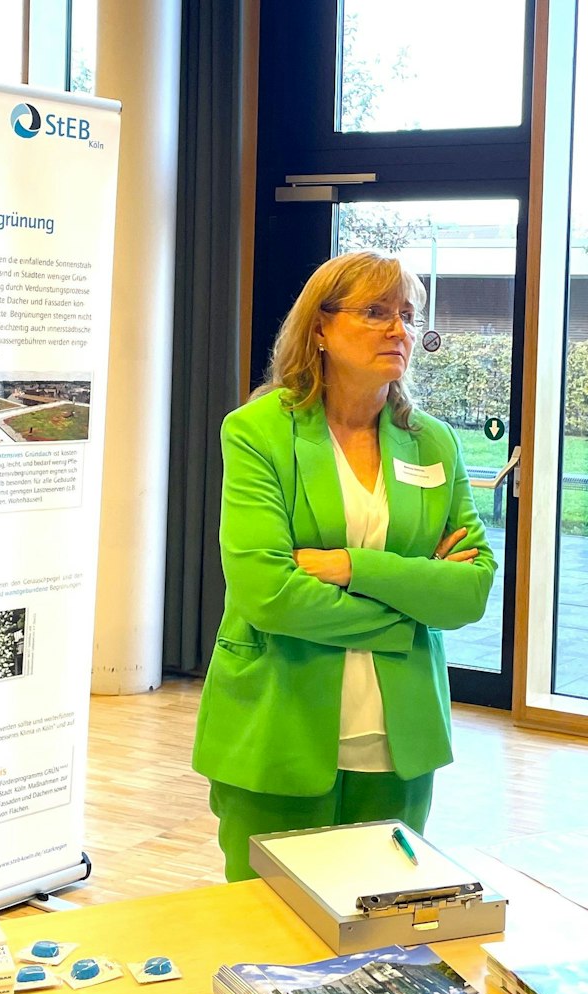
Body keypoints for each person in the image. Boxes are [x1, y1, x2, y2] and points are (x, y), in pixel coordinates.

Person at [193, 250, 496, 882]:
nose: (399, 330)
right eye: (376, 312)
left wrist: (352, 567)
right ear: (321, 329)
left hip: (399, 737)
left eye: (408, 316)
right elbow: (267, 593)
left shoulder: (432, 441)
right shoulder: (259, 432)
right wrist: (408, 614)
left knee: (379, 931)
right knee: (266, 933)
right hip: (277, 722)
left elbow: (468, 593)